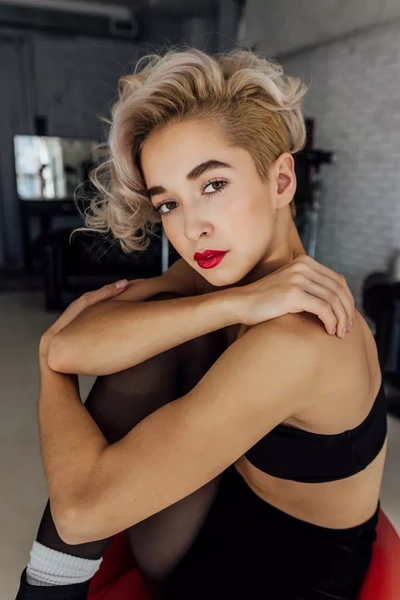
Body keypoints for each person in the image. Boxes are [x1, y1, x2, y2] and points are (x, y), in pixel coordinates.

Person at [16, 48, 386, 600]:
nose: (192, 229)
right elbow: (78, 343)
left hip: (273, 581)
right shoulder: (224, 278)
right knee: (160, 330)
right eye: (168, 204)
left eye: (212, 185)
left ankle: (46, 588)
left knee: (158, 332)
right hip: (226, 511)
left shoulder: (300, 341)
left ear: (281, 180)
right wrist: (233, 305)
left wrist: (50, 376)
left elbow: (80, 512)